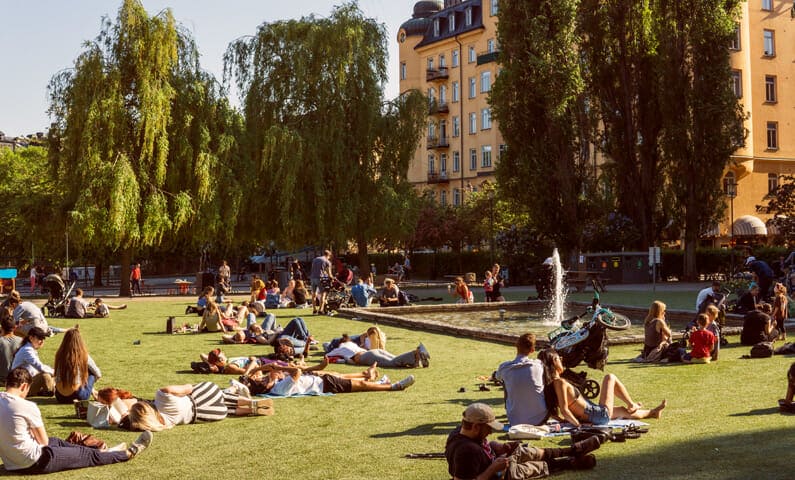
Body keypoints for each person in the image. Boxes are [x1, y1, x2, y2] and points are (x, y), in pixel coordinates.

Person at [0, 367, 152, 474]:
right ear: (25, 386)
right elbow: (44, 443)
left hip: (11, 462)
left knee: (58, 442)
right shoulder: (26, 406)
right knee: (87, 456)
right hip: (35, 462)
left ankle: (103, 452)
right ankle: (127, 453)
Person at [445, 402, 601, 480]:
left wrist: (496, 446)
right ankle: (571, 462)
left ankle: (572, 450)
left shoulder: (461, 433)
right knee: (531, 467)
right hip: (500, 474)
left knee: (526, 451)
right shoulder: (466, 451)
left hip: (497, 462)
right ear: (476, 427)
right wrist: (492, 469)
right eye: (488, 428)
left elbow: (484, 447)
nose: (491, 431)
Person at [540, 348, 666, 426]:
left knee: (622, 411)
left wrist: (563, 421)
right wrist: (577, 425)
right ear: (553, 362)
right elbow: (564, 409)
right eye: (558, 358)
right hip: (597, 414)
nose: (561, 359)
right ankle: (631, 404)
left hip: (591, 415)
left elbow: (554, 410)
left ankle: (653, 413)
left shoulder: (551, 384)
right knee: (609, 378)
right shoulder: (559, 383)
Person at [125, 382, 273, 431]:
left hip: (205, 415)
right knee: (223, 396)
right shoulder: (161, 396)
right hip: (200, 396)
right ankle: (251, 402)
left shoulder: (161, 424)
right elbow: (187, 388)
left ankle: (252, 410)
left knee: (228, 410)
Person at [246, 358, 416, 396]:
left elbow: (261, 368)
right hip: (324, 386)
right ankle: (394, 386)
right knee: (361, 385)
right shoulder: (279, 389)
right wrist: (279, 367)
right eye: (263, 380)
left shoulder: (276, 385)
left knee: (358, 382)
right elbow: (297, 372)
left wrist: (260, 369)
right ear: (266, 387)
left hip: (321, 381)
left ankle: (382, 382)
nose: (265, 377)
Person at [495, 333, 547, 426]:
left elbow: (497, 377)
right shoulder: (538, 365)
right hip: (541, 418)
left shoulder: (504, 367)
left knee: (505, 382)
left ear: (516, 346)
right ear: (532, 350)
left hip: (515, 421)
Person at [53, 326, 102, 404]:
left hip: (60, 397)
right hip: (77, 395)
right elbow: (98, 373)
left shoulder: (59, 355)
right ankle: (91, 390)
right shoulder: (83, 355)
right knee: (91, 373)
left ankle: (91, 390)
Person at [325, 338, 429, 368]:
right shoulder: (352, 344)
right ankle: (416, 360)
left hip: (366, 357)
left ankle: (417, 351)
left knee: (392, 363)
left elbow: (327, 356)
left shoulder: (339, 348)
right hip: (373, 351)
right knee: (395, 359)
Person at [10, 327, 54, 396]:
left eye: (43, 338)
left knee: (49, 373)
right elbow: (40, 367)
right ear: (31, 338)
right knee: (45, 375)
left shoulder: (29, 348)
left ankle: (48, 390)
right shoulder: (27, 350)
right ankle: (51, 391)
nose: (42, 341)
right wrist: (55, 372)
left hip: (24, 384)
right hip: (20, 387)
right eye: (39, 338)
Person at [0, 313, 21, 384]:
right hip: (16, 378)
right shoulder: (22, 341)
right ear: (15, 327)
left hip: (2, 378)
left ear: (1, 327)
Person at [310, 250, 332, 315]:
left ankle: (314, 310)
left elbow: (314, 269)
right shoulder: (327, 261)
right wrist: (332, 278)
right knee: (323, 293)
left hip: (312, 278)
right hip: (320, 278)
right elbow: (329, 273)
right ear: (328, 255)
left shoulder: (315, 259)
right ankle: (320, 309)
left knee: (314, 294)